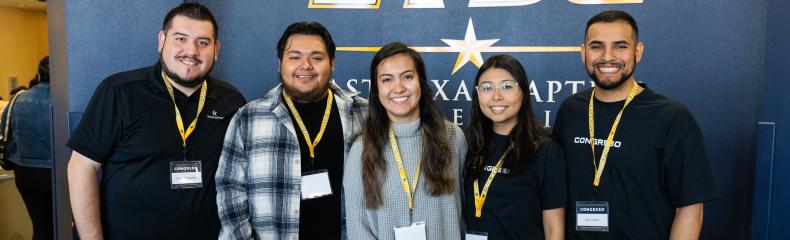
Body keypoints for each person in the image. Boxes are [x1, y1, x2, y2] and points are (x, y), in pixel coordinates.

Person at [66, 3, 245, 239]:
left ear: (216, 49)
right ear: (162, 41)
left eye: (203, 42)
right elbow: (82, 168)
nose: (191, 51)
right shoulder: (120, 92)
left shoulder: (231, 102)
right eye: (180, 39)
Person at [552, 10, 719, 239]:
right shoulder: (571, 110)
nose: (607, 56)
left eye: (620, 46)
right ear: (583, 52)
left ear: (637, 52)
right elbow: (554, 194)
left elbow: (690, 208)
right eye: (596, 46)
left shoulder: (672, 118)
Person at [215, 22, 368, 239]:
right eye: (295, 57)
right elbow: (229, 190)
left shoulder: (364, 114)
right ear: (280, 64)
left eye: (317, 57)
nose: (305, 65)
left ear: (332, 64)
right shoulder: (249, 118)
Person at [344, 42, 467, 240]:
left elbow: (467, 214)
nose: (398, 88)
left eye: (407, 77)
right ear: (376, 88)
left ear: (421, 82)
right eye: (387, 80)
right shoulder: (361, 149)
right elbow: (359, 228)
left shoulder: (453, 138)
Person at [462, 54, 565, 240]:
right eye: (486, 88)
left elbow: (554, 229)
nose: (496, 96)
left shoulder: (545, 151)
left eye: (507, 86)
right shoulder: (469, 145)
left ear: (523, 92)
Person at [1, 56, 53, 240]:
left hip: (25, 172)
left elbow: (4, 130)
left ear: (38, 75)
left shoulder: (17, 99)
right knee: (65, 225)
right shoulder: (66, 98)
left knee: (41, 226)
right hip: (57, 171)